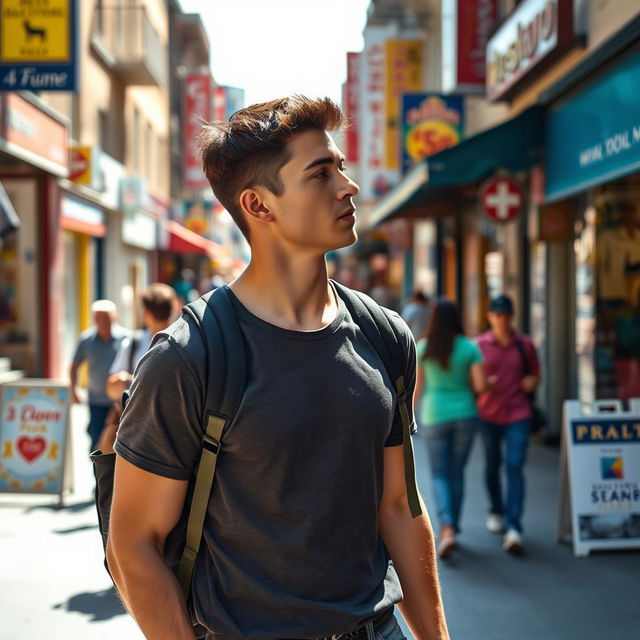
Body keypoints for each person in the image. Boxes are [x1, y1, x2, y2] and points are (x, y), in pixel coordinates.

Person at [107, 96, 449, 640]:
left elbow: (398, 506)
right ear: (259, 206)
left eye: (340, 166)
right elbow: (132, 546)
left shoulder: (385, 336)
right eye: (320, 173)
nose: (348, 186)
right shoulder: (188, 357)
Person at [415, 299, 487, 559]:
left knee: (439, 475)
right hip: (466, 415)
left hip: (435, 416)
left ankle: (447, 528)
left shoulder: (424, 347)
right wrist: (490, 383)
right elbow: (479, 386)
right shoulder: (470, 347)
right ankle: (453, 527)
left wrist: (407, 417)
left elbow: (417, 388)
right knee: (457, 473)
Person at [475, 294, 540, 554]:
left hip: (518, 414)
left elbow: (535, 373)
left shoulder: (525, 345)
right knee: (493, 466)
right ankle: (496, 510)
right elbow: (472, 380)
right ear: (490, 316)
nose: (501, 320)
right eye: (497, 315)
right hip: (488, 414)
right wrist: (482, 384)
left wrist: (532, 383)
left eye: (506, 315)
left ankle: (514, 527)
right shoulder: (478, 345)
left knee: (514, 466)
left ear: (512, 316)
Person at [98, 283, 178, 453]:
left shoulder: (134, 344)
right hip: (170, 433)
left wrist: (129, 382)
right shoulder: (183, 344)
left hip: (133, 432)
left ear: (147, 313)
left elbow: (110, 389)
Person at [69, 299, 126, 452]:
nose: (102, 321)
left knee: (121, 442)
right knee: (96, 440)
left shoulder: (126, 339)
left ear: (114, 317)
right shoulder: (86, 340)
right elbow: (74, 366)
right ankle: (98, 474)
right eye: (98, 317)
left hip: (121, 401)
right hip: (96, 401)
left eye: (106, 317)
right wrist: (73, 390)